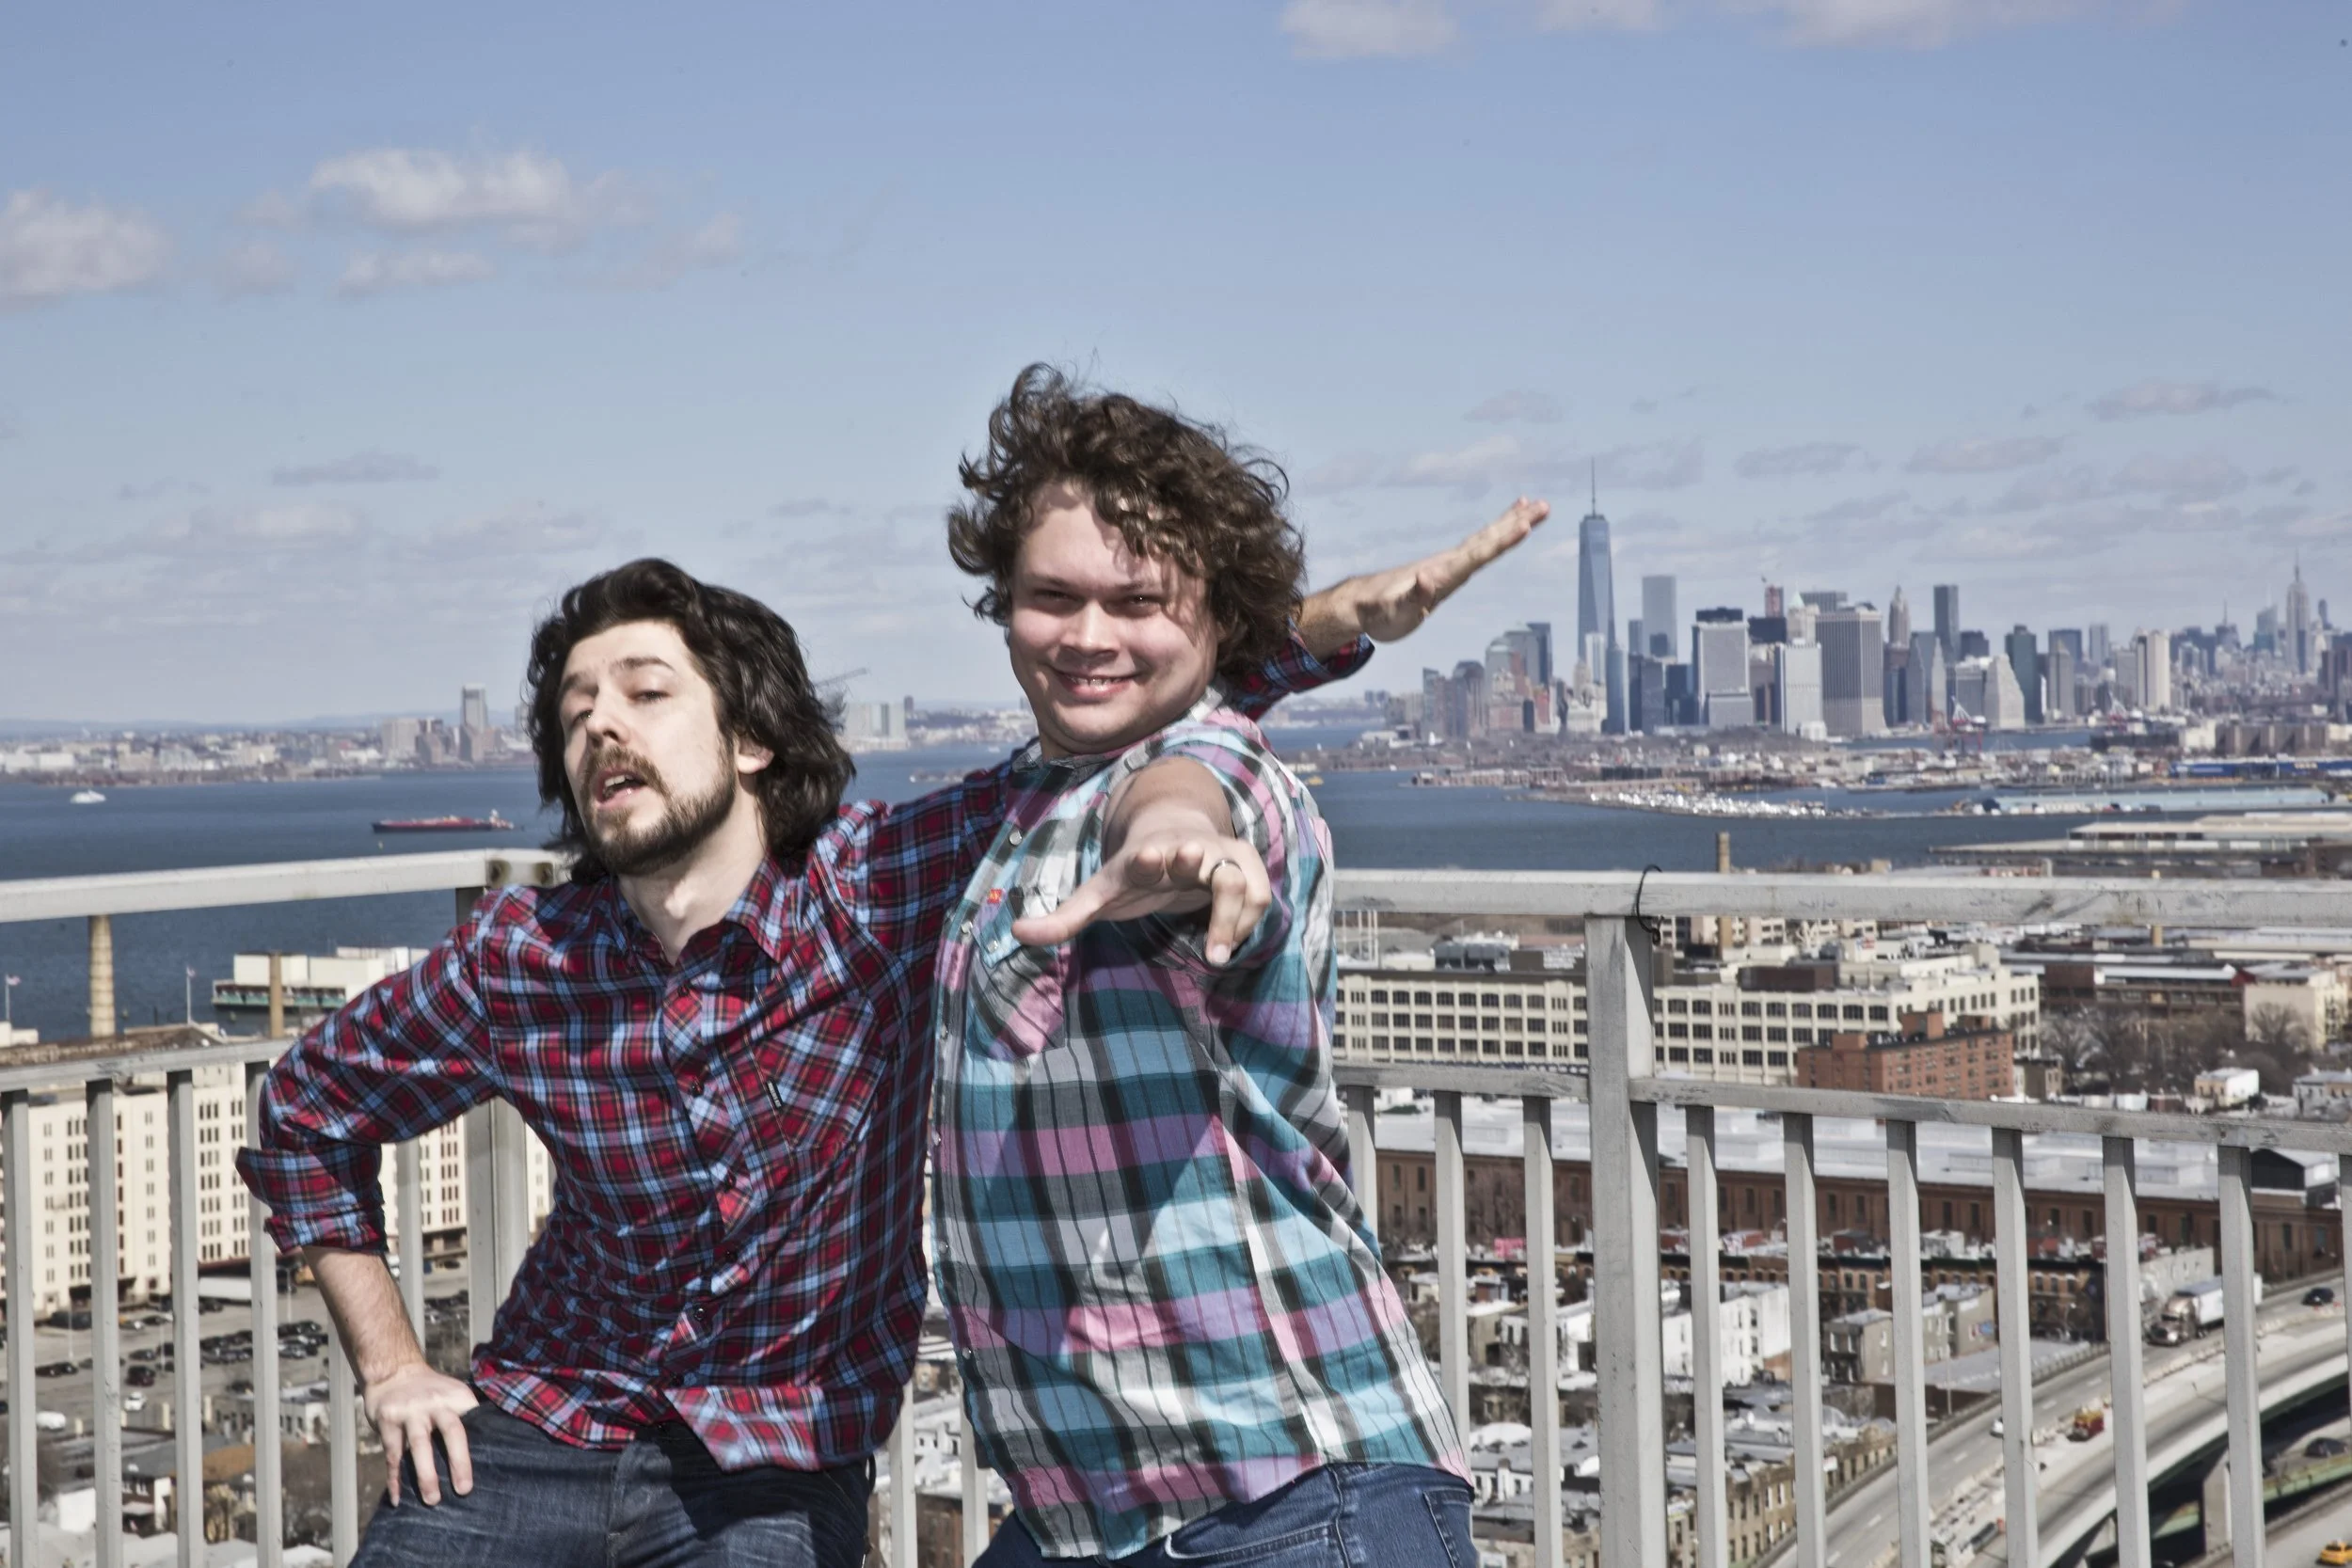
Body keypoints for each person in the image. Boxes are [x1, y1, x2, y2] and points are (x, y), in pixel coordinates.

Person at [238, 516, 1531, 1563]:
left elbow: (1105, 727)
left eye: (642, 690)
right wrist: (394, 1365)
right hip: (531, 1431)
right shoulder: (528, 956)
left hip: (770, 1473)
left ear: (750, 739)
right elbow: (306, 1112)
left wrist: (1317, 627)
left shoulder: (870, 889)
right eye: (576, 711)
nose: (600, 727)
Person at [930, 365, 1549, 1566]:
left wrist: (1178, 839)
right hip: (1088, 1516)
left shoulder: (1221, 765)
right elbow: (1146, 699)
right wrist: (1322, 624)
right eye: (1051, 596)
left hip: (1284, 1498)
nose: (1089, 633)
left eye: (1139, 599)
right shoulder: (1010, 808)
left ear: (1214, 615)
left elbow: (1188, 779)